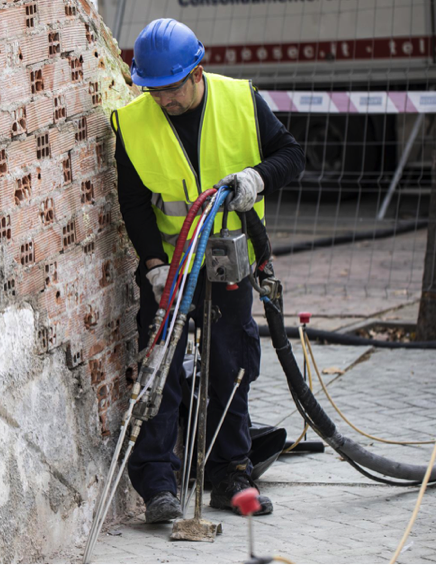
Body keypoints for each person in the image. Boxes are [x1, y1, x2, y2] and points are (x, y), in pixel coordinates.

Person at [111, 18, 305, 522]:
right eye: (154, 92)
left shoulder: (241, 100)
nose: (164, 101)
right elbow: (132, 203)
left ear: (197, 70)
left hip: (230, 262)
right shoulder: (132, 122)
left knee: (230, 365)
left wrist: (255, 179)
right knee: (161, 372)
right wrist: (153, 264)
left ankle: (230, 476)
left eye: (172, 89)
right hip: (172, 268)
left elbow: (293, 156)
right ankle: (159, 486)